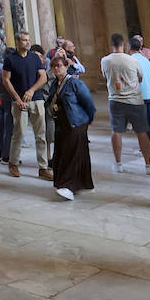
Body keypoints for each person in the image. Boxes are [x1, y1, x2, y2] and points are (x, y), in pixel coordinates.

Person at [100, 33, 150, 174]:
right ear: (124, 44)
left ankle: (118, 163)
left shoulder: (105, 60)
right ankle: (148, 165)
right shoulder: (133, 60)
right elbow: (141, 78)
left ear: (111, 44)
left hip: (116, 100)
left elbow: (105, 76)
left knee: (116, 131)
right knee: (142, 132)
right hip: (135, 100)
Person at [44, 53, 96, 201]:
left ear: (66, 67)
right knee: (64, 154)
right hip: (61, 123)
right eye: (53, 66)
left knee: (71, 155)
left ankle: (68, 186)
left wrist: (87, 120)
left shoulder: (74, 83)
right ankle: (83, 184)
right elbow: (51, 100)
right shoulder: (55, 83)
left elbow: (89, 104)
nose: (56, 69)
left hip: (76, 124)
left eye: (59, 66)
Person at [3, 41, 50, 179]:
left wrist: (31, 90)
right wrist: (17, 98)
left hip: (36, 99)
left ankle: (43, 167)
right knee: (19, 133)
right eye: (24, 40)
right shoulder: (10, 59)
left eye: (28, 39)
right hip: (19, 102)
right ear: (18, 42)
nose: (27, 42)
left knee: (41, 135)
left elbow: (43, 77)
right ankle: (13, 163)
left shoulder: (35, 58)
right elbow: (6, 80)